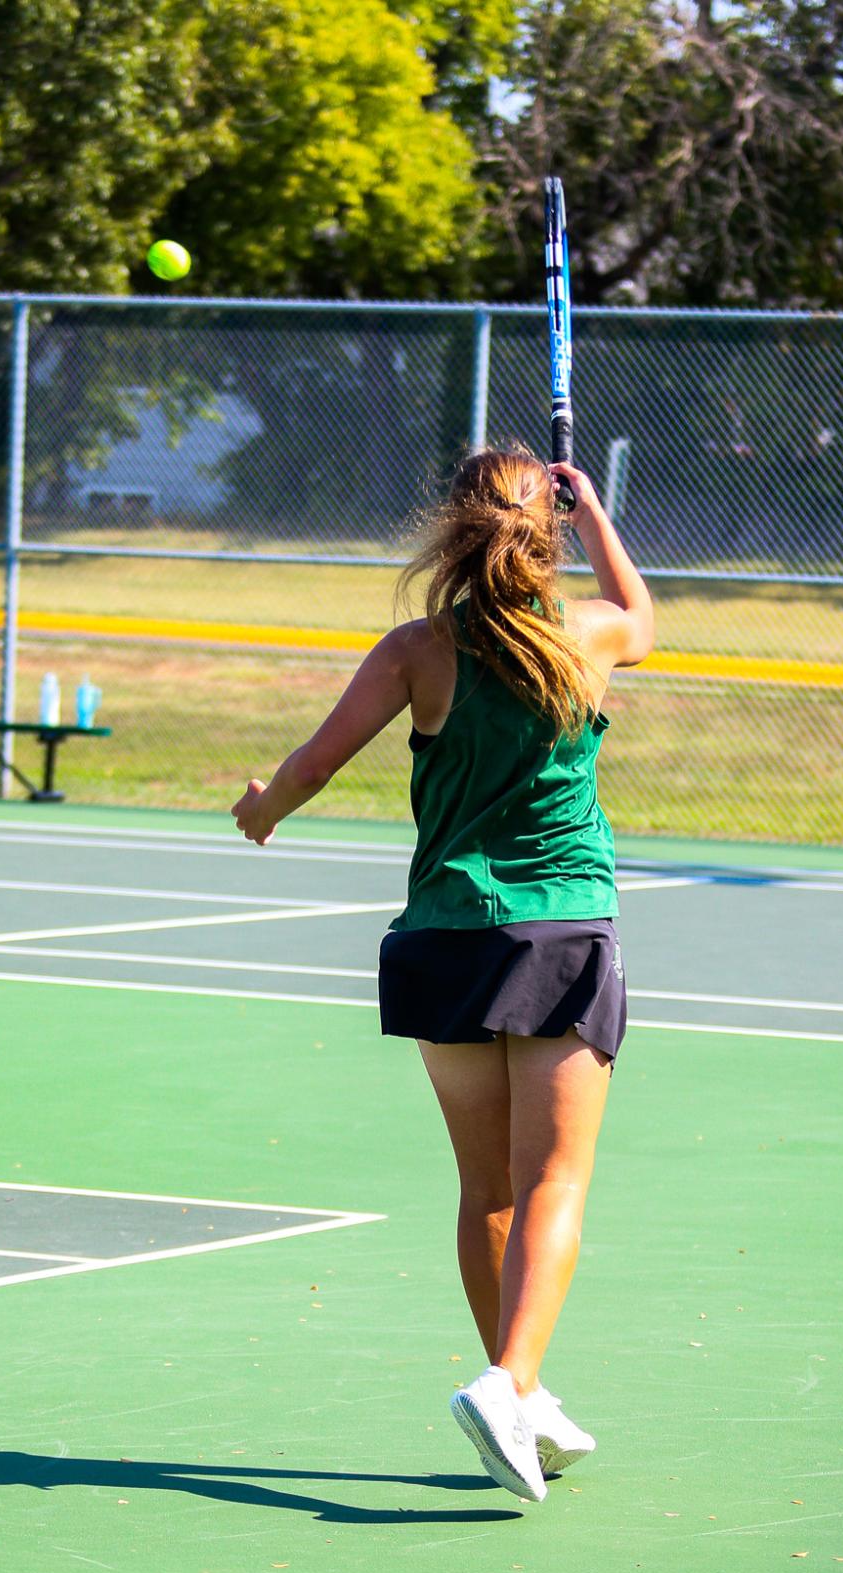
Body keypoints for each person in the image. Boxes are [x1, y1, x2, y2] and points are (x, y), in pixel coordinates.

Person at [231, 445, 654, 1503]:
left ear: (455, 529)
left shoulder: (416, 648)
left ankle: (518, 1385)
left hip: (443, 938)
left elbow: (316, 764)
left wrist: (263, 808)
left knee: (486, 1190)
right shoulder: (585, 635)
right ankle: (508, 1381)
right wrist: (596, 514)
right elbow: (639, 617)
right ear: (543, 531)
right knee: (555, 1181)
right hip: (557, 933)